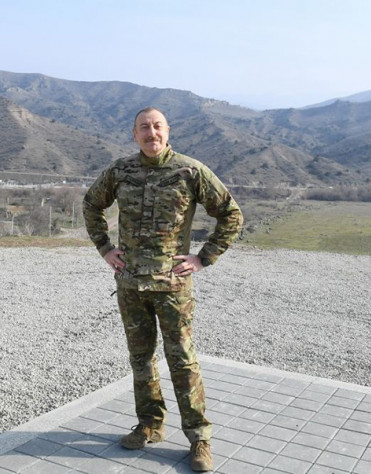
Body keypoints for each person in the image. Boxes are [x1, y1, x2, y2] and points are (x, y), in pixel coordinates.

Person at [83, 107, 243, 472]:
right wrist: (105, 249)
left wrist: (203, 258)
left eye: (157, 126)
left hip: (172, 286)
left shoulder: (190, 171)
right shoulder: (120, 171)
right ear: (134, 134)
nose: (151, 133)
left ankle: (199, 438)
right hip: (130, 284)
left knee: (182, 360)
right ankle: (150, 425)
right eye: (144, 127)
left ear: (167, 131)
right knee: (141, 360)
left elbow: (231, 214)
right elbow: (92, 204)